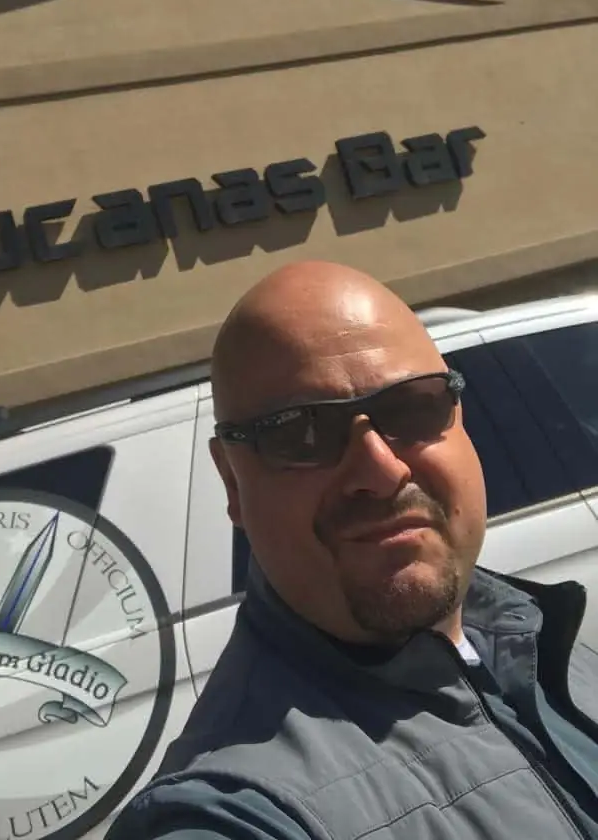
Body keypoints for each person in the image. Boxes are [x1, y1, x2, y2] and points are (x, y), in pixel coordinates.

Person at [106, 260, 598, 840]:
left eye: (413, 407)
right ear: (232, 483)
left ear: (458, 417)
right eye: (300, 432)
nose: (381, 472)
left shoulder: (537, 637)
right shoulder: (230, 811)